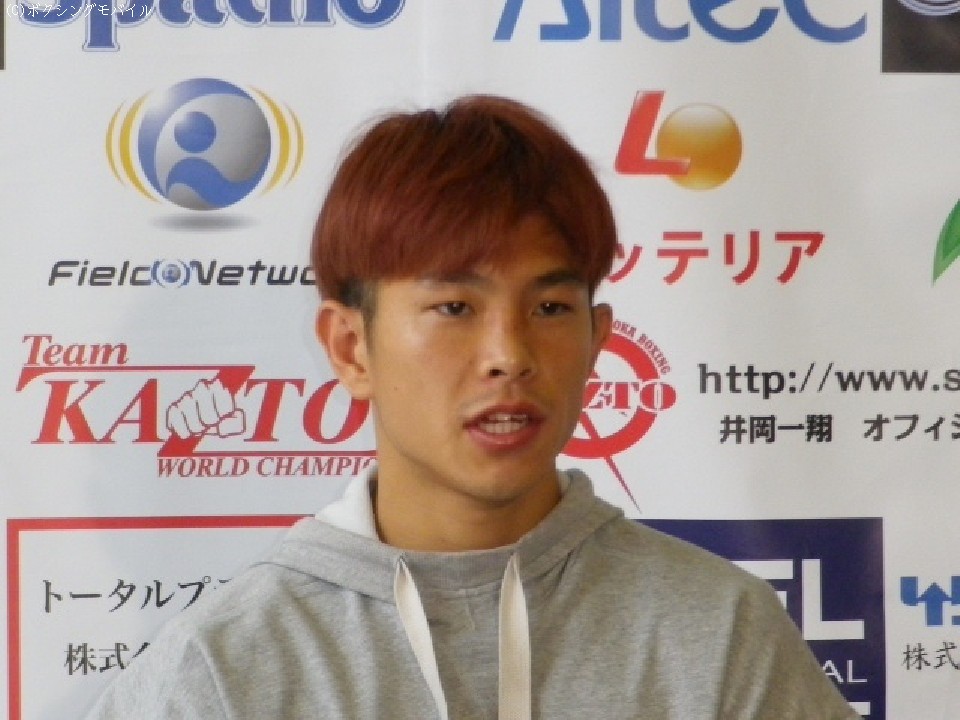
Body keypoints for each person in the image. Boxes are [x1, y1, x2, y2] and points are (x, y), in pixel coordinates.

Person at [84, 95, 860, 719]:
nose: (509, 354)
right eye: (454, 307)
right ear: (351, 348)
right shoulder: (226, 667)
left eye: (550, 307)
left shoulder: (718, 631)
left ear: (597, 339)